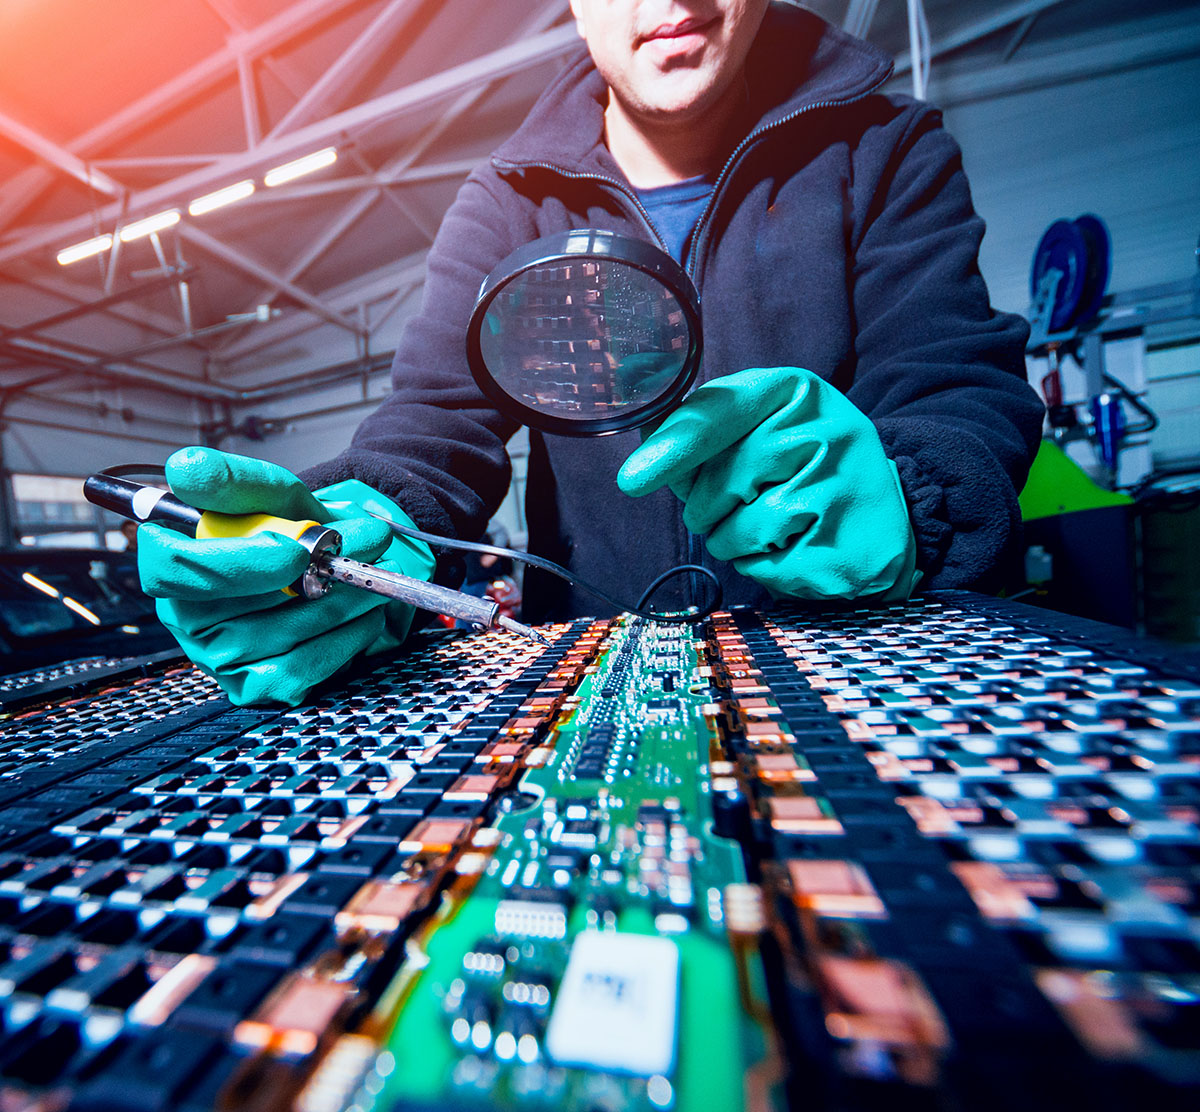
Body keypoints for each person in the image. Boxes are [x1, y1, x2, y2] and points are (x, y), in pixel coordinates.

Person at [138, 0, 1044, 706]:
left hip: (864, 662)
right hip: (603, 680)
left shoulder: (885, 147)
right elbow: (433, 422)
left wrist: (912, 492)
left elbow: (959, 383)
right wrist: (351, 530)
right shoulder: (503, 203)